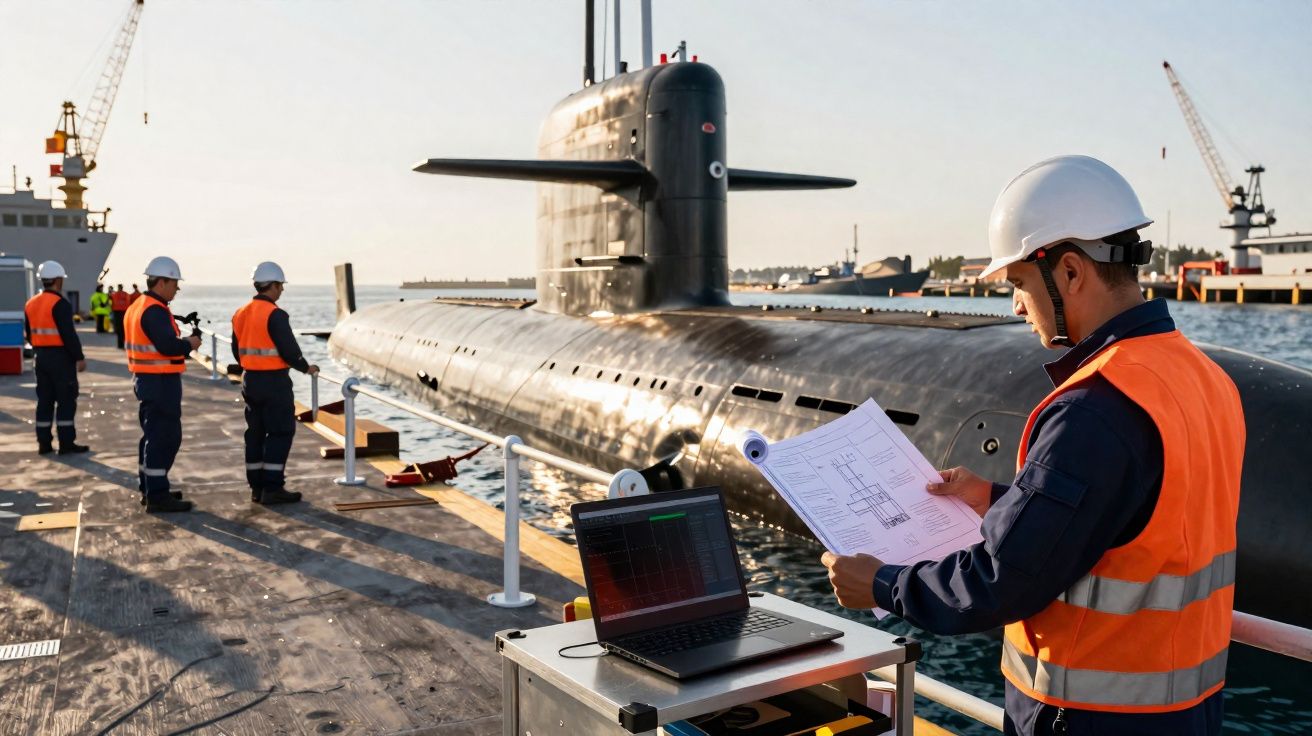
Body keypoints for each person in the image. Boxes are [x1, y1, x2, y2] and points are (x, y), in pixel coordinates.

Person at [821, 155, 1244, 736]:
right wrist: (1000, 499)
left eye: (1019, 283)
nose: (1016, 306)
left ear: (1070, 272)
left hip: (1092, 720)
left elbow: (1000, 582)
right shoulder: (1205, 378)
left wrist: (882, 583)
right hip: (1189, 712)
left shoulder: (1094, 410)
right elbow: (1137, 517)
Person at [231, 261, 318, 504]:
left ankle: (257, 488)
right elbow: (289, 351)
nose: (282, 290)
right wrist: (306, 367)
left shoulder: (240, 313)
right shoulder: (275, 314)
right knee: (280, 431)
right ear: (273, 286)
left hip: (250, 380)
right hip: (274, 382)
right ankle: (273, 487)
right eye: (280, 286)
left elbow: (237, 351)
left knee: (256, 434)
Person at [124, 256, 202, 513]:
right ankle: (157, 495)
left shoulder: (137, 306)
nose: (177, 289)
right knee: (165, 437)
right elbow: (168, 346)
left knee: (152, 435)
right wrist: (190, 343)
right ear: (162, 282)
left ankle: (150, 487)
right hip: (160, 382)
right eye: (175, 283)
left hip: (146, 379)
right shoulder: (154, 310)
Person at [24, 260, 90, 455]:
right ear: (58, 280)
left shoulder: (30, 304)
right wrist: (79, 357)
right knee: (66, 400)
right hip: (60, 359)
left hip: (40, 357)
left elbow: (29, 334)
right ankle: (66, 443)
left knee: (44, 401)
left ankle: (44, 443)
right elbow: (68, 335)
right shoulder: (60, 304)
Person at [110, 283, 130, 349]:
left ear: (118, 288)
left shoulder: (114, 294)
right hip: (124, 312)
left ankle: (120, 345)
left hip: (117, 312)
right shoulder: (126, 294)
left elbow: (111, 300)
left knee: (118, 329)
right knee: (123, 329)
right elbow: (128, 301)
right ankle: (124, 344)